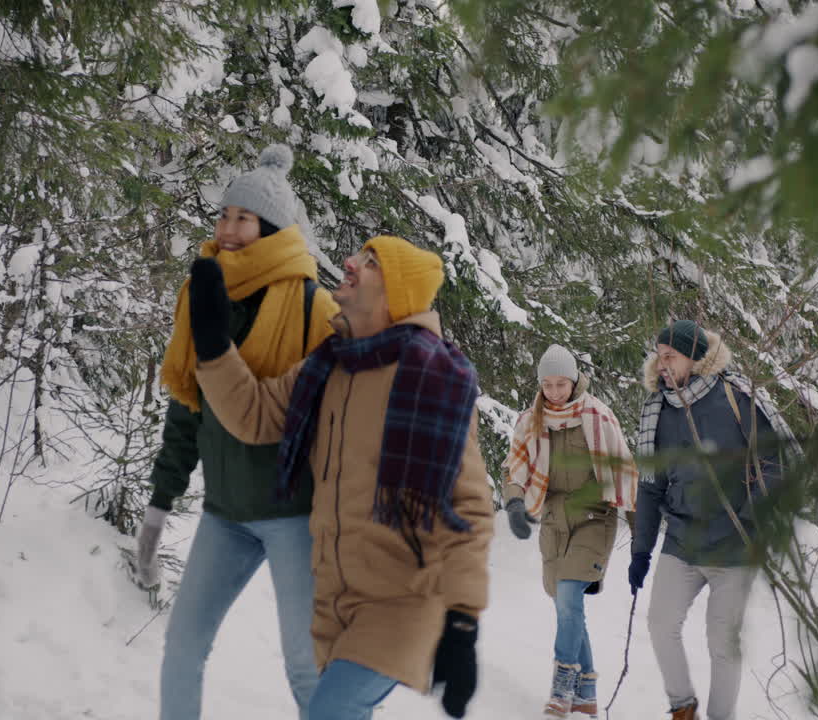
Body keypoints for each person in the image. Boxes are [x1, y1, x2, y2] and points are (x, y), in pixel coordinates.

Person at [187, 235, 494, 720]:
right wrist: (211, 343)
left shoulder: (433, 377)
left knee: (330, 712)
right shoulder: (330, 364)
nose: (349, 262)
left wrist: (462, 623)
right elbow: (255, 415)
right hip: (334, 602)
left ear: (398, 294)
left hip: (403, 602)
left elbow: (468, 507)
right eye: (358, 256)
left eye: (369, 263)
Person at [133, 144, 339, 720]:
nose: (227, 228)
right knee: (182, 647)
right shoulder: (203, 295)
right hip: (225, 515)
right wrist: (159, 503)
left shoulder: (312, 306)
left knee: (305, 664)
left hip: (292, 514)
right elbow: (187, 407)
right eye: (223, 215)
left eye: (242, 218)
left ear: (271, 227)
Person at [629, 320, 801, 720]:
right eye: (659, 354)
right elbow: (651, 485)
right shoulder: (658, 409)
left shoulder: (735, 397)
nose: (662, 363)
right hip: (682, 541)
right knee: (659, 624)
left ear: (694, 356)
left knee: (721, 643)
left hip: (735, 547)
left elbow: (776, 461)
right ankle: (682, 706)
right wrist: (641, 550)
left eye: (670, 355)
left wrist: (750, 521)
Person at [502, 344, 638, 718]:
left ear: (575, 379)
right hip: (553, 519)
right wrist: (515, 502)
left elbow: (625, 469)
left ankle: (563, 685)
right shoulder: (531, 420)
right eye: (547, 385)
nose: (555, 392)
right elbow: (514, 467)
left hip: (594, 515)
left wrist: (640, 530)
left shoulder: (598, 416)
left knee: (567, 598)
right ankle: (587, 690)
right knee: (567, 606)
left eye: (561, 384)